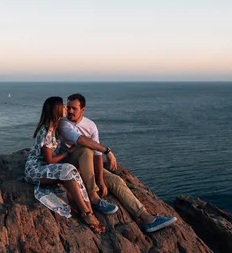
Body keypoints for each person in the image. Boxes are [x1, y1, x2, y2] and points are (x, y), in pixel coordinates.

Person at [59, 93, 177, 233]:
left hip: (87, 165)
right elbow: (80, 140)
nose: (70, 111)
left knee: (116, 180)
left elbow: (97, 156)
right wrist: (107, 151)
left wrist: (101, 180)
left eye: (74, 108)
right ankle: (93, 195)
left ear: (82, 110)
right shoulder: (64, 123)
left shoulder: (91, 125)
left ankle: (147, 218)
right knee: (86, 148)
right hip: (70, 164)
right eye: (69, 108)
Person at [24, 96, 105, 233]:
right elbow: (49, 160)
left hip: (45, 168)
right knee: (68, 169)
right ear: (57, 110)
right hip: (36, 170)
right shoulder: (47, 131)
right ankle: (87, 213)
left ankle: (88, 211)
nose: (66, 108)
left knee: (70, 173)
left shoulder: (56, 127)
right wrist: (67, 153)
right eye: (63, 106)